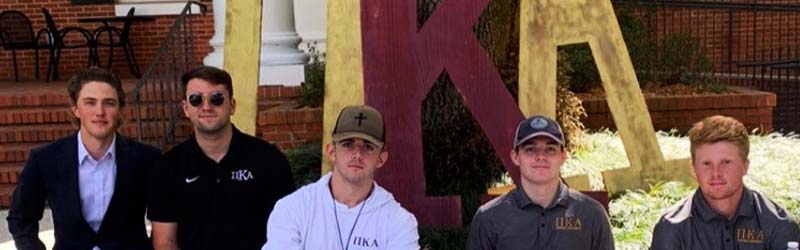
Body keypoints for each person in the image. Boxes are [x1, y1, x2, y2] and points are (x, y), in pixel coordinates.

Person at [6, 67, 160, 250]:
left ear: (120, 110)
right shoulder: (46, 159)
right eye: (90, 102)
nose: (100, 111)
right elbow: (21, 218)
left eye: (109, 103)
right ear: (76, 109)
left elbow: (166, 219)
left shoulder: (147, 159)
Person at [148, 66, 295, 250]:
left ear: (232, 105)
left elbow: (288, 233)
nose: (206, 107)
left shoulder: (269, 160)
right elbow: (165, 242)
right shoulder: (168, 168)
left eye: (216, 98)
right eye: (196, 100)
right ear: (186, 108)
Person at [263, 105, 419, 250]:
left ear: (381, 159)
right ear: (331, 151)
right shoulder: (293, 208)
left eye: (368, 147)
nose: (357, 154)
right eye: (347, 144)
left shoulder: (399, 221)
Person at [651, 115, 800, 249]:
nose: (716, 172)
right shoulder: (672, 227)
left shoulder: (779, 224)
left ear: (745, 166)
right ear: (693, 169)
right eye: (706, 163)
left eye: (726, 162)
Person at [467, 115, 614, 250]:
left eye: (550, 149)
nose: (541, 156)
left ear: (563, 156)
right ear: (515, 157)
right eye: (530, 149)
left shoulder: (592, 215)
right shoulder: (489, 218)